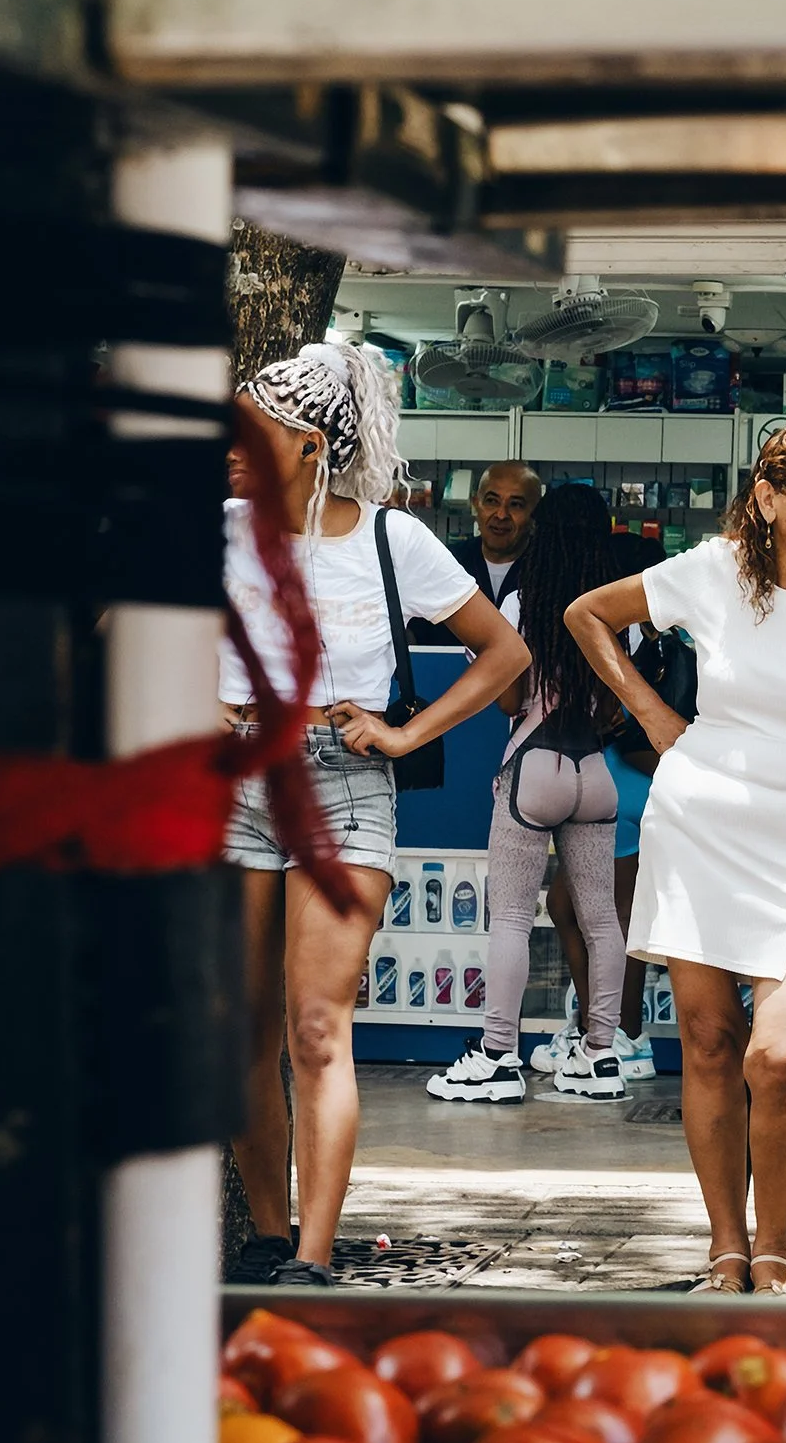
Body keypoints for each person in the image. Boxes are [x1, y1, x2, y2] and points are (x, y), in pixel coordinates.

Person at [569, 421, 786, 1296]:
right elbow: (587, 616)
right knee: (706, 1040)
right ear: (767, 497)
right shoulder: (712, 569)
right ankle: (731, 1250)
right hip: (696, 824)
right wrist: (654, 718)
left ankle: (777, 1247)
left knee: (777, 1055)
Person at [224, 342, 531, 1286]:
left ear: (310, 444)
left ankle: (313, 1255)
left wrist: (405, 735)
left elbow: (504, 654)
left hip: (345, 782)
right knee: (240, 1027)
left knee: (318, 1028)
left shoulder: (395, 543)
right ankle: (268, 1233)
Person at [428, 484, 646, 1105]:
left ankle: (498, 1055)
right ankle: (601, 1055)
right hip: (593, 773)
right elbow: (613, 709)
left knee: (514, 919)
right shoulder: (614, 616)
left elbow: (506, 699)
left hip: (532, 765)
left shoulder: (522, 602)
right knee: (604, 919)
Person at [539, 533, 677, 1084]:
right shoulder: (634, 638)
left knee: (612, 914)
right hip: (616, 791)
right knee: (574, 907)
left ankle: (622, 1034)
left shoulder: (644, 643)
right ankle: (601, 1027)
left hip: (625, 797)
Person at [418, 461, 541, 645]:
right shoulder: (445, 563)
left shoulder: (546, 573)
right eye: (492, 501)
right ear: (476, 505)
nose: (501, 515)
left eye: (515, 504)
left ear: (534, 514)